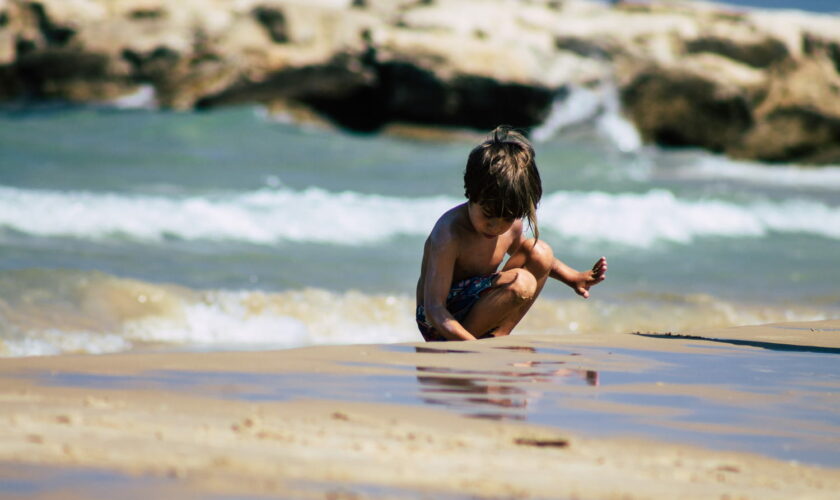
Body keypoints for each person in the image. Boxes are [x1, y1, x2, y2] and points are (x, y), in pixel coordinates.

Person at [415, 125, 607, 341]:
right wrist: (470, 347)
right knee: (521, 283)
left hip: (476, 304)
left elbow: (541, 261)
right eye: (488, 215)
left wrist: (573, 278)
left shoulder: (512, 226)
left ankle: (496, 337)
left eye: (507, 218)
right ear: (471, 191)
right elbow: (433, 307)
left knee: (540, 252)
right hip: (439, 322)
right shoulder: (449, 233)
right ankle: (469, 345)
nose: (496, 226)